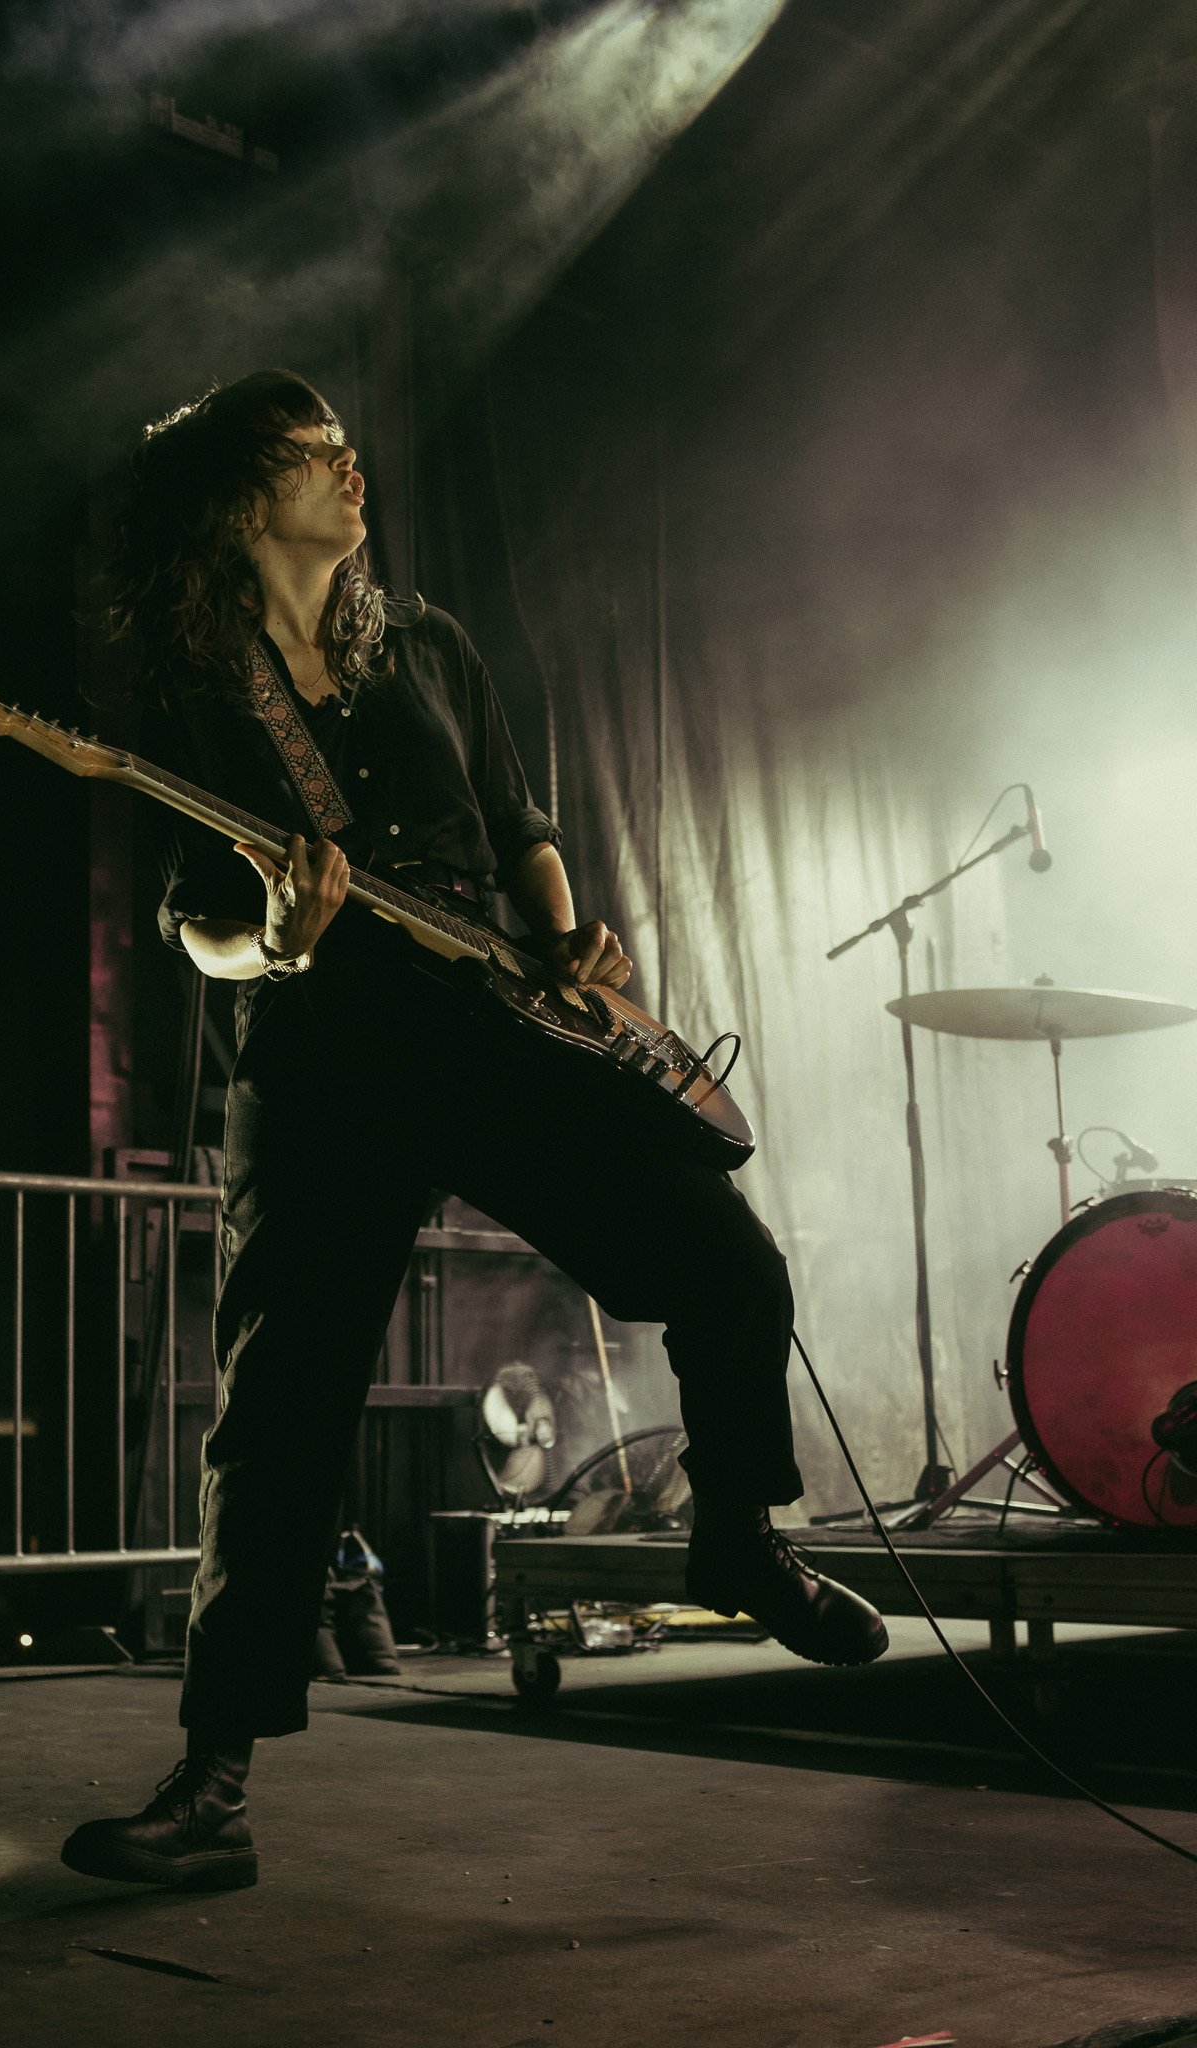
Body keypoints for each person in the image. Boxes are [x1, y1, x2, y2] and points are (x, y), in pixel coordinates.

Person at [61, 370, 887, 1894]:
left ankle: (741, 1537)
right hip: (323, 1069)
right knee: (280, 1418)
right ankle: (213, 1783)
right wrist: (284, 945)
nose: (352, 468)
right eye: (318, 454)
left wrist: (573, 950)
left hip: (498, 1033)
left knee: (728, 1257)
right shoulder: (200, 689)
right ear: (252, 499)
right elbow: (196, 924)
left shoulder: (425, 643)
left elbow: (523, 825)